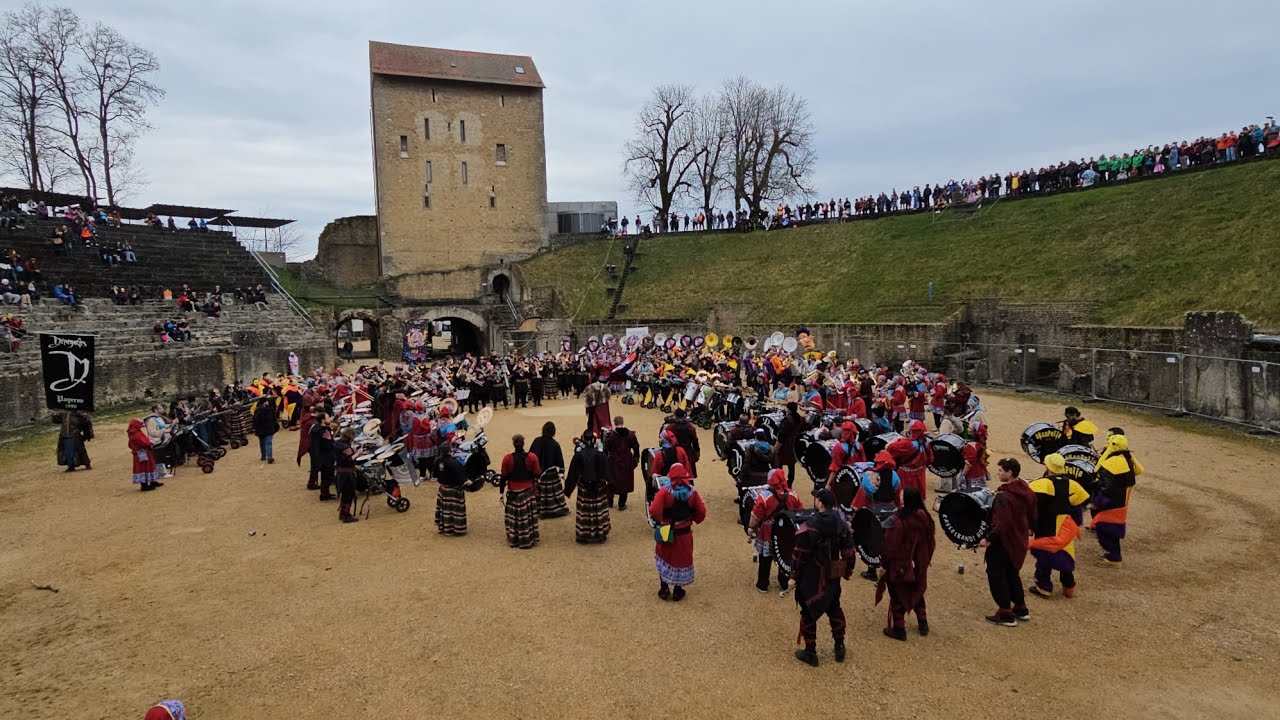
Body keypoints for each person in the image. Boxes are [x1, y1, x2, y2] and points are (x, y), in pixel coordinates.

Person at [788, 488, 855, 666]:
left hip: (813, 576)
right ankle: (839, 646)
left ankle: (810, 652)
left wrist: (793, 575)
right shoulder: (841, 523)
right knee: (834, 608)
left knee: (808, 612)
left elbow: (800, 553)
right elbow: (849, 549)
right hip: (832, 575)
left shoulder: (811, 524)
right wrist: (848, 570)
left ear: (820, 502)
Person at [982, 458, 1037, 626]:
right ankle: (1020, 607)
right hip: (1019, 539)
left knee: (996, 574)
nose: (998, 473)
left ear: (1009, 472)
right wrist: (1030, 528)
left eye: (1000, 470)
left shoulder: (1003, 497)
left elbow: (1002, 524)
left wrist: (989, 539)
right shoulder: (1027, 490)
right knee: (1012, 573)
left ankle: (1005, 613)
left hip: (1003, 542)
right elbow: (1033, 513)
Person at [876, 487, 936, 641]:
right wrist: (925, 560)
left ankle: (899, 629)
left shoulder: (898, 520)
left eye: (903, 495)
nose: (900, 496)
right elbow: (930, 541)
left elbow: (890, 546)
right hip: (919, 563)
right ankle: (923, 622)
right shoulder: (925, 517)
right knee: (917, 591)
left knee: (898, 595)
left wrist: (884, 564)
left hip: (901, 565)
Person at [1028, 453, 1091, 599]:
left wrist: (1030, 525)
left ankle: (1044, 587)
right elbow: (1079, 506)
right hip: (1064, 526)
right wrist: (1075, 524)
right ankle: (1069, 587)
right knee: (1065, 556)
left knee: (1044, 558)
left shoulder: (1041, 484)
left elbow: (1032, 507)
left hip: (1046, 525)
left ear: (1048, 467)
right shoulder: (1072, 484)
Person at [648, 463, 707, 601]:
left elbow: (654, 510)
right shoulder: (692, 492)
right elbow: (701, 512)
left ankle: (664, 588)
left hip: (666, 530)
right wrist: (692, 519)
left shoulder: (664, 491)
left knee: (664, 557)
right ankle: (678, 590)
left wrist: (661, 520)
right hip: (684, 532)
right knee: (681, 559)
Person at [748, 468, 805, 595]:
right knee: (784, 556)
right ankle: (784, 581)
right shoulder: (793, 494)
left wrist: (751, 527)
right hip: (786, 531)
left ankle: (763, 583)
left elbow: (756, 516)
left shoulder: (764, 496)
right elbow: (800, 511)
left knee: (765, 558)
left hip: (768, 530)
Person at [1091, 431, 1143, 567]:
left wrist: (1097, 501)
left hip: (1111, 502)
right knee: (1110, 527)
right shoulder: (1127, 459)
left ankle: (1114, 558)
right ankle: (1112, 554)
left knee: (1105, 527)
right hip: (1121, 501)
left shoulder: (1113, 463)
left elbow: (1108, 487)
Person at [564, 433, 611, 544]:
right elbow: (607, 473)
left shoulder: (579, 455)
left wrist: (568, 489)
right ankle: (600, 533)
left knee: (584, 512)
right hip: (599, 488)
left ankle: (583, 535)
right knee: (598, 511)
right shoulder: (600, 454)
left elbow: (573, 474)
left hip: (584, 487)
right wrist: (609, 487)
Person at [499, 434, 542, 549]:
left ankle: (514, 539)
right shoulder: (532, 457)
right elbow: (538, 473)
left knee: (514, 519)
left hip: (513, 492)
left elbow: (503, 477)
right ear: (523, 443)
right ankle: (528, 538)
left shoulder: (507, 459)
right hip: (528, 492)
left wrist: (501, 492)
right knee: (528, 518)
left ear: (514, 444)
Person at [529, 421, 570, 518]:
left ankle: (539, 508)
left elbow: (530, 457)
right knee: (555, 485)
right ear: (553, 432)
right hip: (551, 476)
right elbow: (560, 463)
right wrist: (561, 473)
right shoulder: (555, 444)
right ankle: (554, 509)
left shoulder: (536, 441)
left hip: (538, 474)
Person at [886, 420, 933, 500]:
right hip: (920, 474)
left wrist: (897, 439)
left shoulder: (906, 444)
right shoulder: (926, 443)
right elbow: (930, 459)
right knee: (919, 496)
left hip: (905, 475)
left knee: (905, 497)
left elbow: (888, 448)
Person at [605, 417, 640, 510]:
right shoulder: (631, 434)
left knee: (611, 481)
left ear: (614, 423)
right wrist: (636, 460)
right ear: (623, 422)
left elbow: (606, 448)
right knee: (625, 481)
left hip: (613, 460)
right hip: (626, 460)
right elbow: (636, 447)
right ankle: (621, 504)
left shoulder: (610, 435)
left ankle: (610, 502)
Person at [434, 447, 469, 536]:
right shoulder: (455, 462)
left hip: (443, 489)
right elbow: (460, 477)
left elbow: (434, 474)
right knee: (456, 511)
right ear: (450, 451)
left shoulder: (437, 461)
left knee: (445, 511)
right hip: (454, 490)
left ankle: (446, 528)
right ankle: (457, 529)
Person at [128, 418, 162, 491]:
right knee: (144, 468)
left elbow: (130, 445)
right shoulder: (137, 434)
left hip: (140, 453)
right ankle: (144, 485)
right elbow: (144, 442)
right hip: (143, 453)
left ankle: (152, 481)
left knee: (148, 466)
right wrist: (151, 443)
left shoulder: (132, 433)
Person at [333, 428, 359, 523]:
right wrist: (357, 453)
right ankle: (346, 515)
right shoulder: (345, 447)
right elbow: (349, 459)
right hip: (347, 474)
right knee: (348, 494)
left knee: (345, 494)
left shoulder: (338, 444)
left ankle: (343, 513)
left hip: (340, 473)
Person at [665, 407, 701, 477]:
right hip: (687, 452)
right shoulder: (690, 427)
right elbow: (695, 441)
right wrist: (697, 453)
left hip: (674, 453)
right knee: (688, 475)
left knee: (674, 475)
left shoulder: (670, 428)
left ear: (675, 416)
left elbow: (665, 441)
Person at [309, 410, 336, 501]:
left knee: (325, 476)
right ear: (323, 420)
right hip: (326, 456)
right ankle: (325, 494)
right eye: (328, 417)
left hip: (319, 455)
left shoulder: (315, 428)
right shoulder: (324, 431)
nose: (330, 419)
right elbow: (329, 443)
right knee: (328, 475)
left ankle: (325, 493)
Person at [774, 401, 803, 483]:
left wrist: (777, 446)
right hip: (795, 444)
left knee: (779, 463)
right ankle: (790, 482)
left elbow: (782, 435)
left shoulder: (787, 420)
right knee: (791, 465)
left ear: (789, 409)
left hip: (786, 445)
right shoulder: (800, 418)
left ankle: (780, 481)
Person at [253, 394, 280, 463]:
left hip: (260, 430)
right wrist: (275, 427)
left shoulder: (257, 410)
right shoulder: (270, 409)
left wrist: (255, 429)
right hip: (269, 429)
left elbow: (254, 421)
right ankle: (269, 457)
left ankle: (264, 456)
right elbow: (274, 419)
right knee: (268, 443)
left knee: (262, 443)